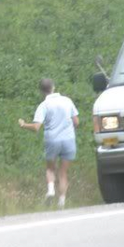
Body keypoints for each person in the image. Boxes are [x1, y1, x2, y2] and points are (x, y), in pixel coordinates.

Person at [19, 78, 79, 209]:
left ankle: (51, 190)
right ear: (54, 87)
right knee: (63, 172)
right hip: (68, 139)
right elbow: (76, 122)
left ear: (41, 91)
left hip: (52, 140)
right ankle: (61, 202)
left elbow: (36, 127)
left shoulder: (44, 105)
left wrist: (23, 125)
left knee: (50, 168)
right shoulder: (67, 101)